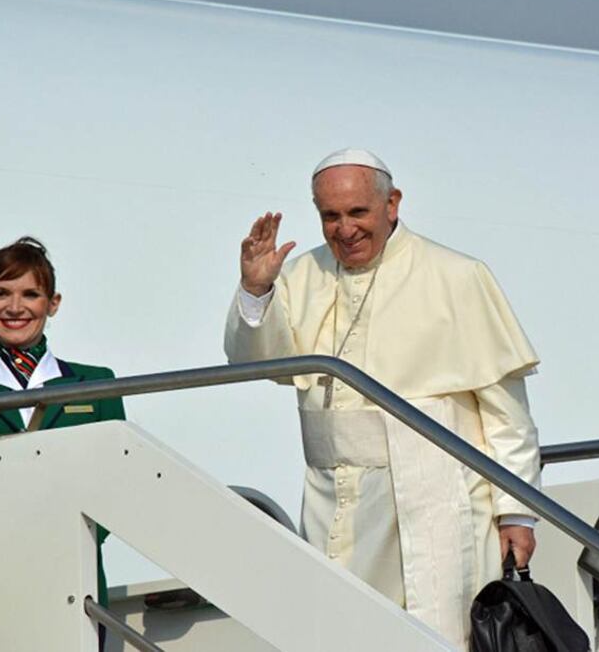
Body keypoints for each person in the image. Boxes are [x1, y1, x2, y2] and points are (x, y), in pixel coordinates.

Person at [225, 148, 541, 646]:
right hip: (333, 494)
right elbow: (254, 364)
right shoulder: (303, 274)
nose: (344, 230)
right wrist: (255, 289)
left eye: (357, 213)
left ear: (392, 204)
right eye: (330, 216)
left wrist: (517, 512)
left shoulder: (456, 275)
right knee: (338, 631)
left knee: (433, 634)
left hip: (431, 492)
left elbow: (507, 415)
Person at [0, 236, 124, 612]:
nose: (15, 308)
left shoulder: (97, 384)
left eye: (30, 295)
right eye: (1, 293)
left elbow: (114, 487)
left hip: (72, 581)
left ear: (53, 303)